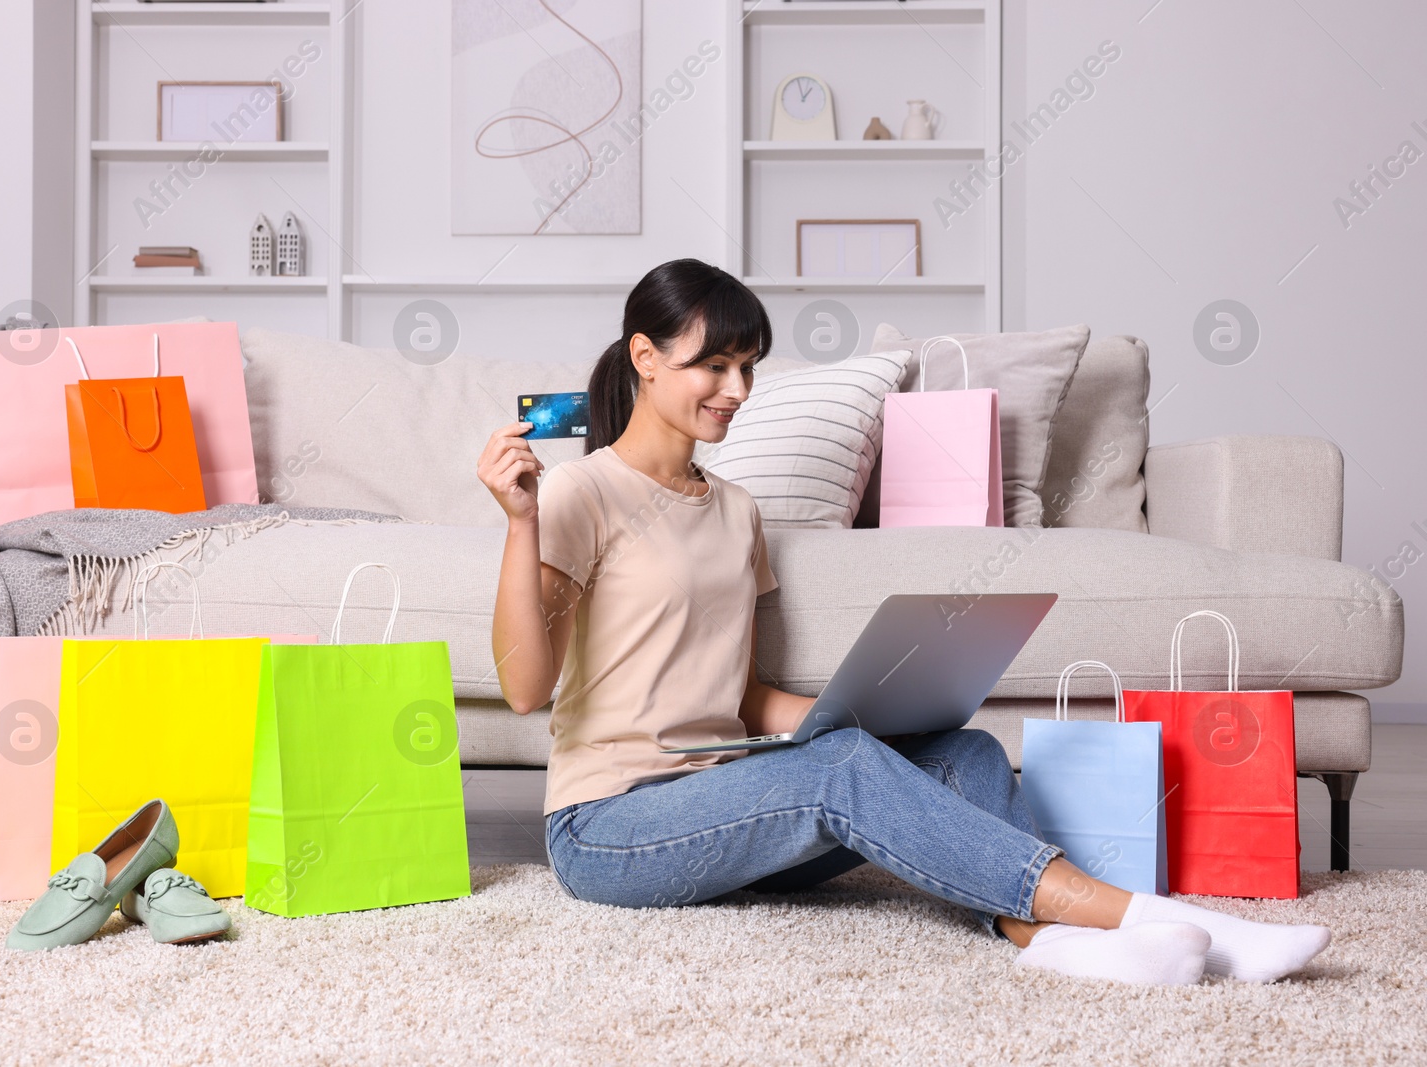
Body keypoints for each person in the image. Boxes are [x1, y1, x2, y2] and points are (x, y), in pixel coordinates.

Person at [476, 258, 1331, 986]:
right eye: (715, 366)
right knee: (840, 768)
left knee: (964, 753)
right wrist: (522, 522)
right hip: (611, 826)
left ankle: (1051, 943)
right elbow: (524, 688)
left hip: (725, 799)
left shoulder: (735, 511)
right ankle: (1172, 923)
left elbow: (734, 694)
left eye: (749, 367)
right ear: (646, 358)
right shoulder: (579, 491)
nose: (737, 390)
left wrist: (848, 719)